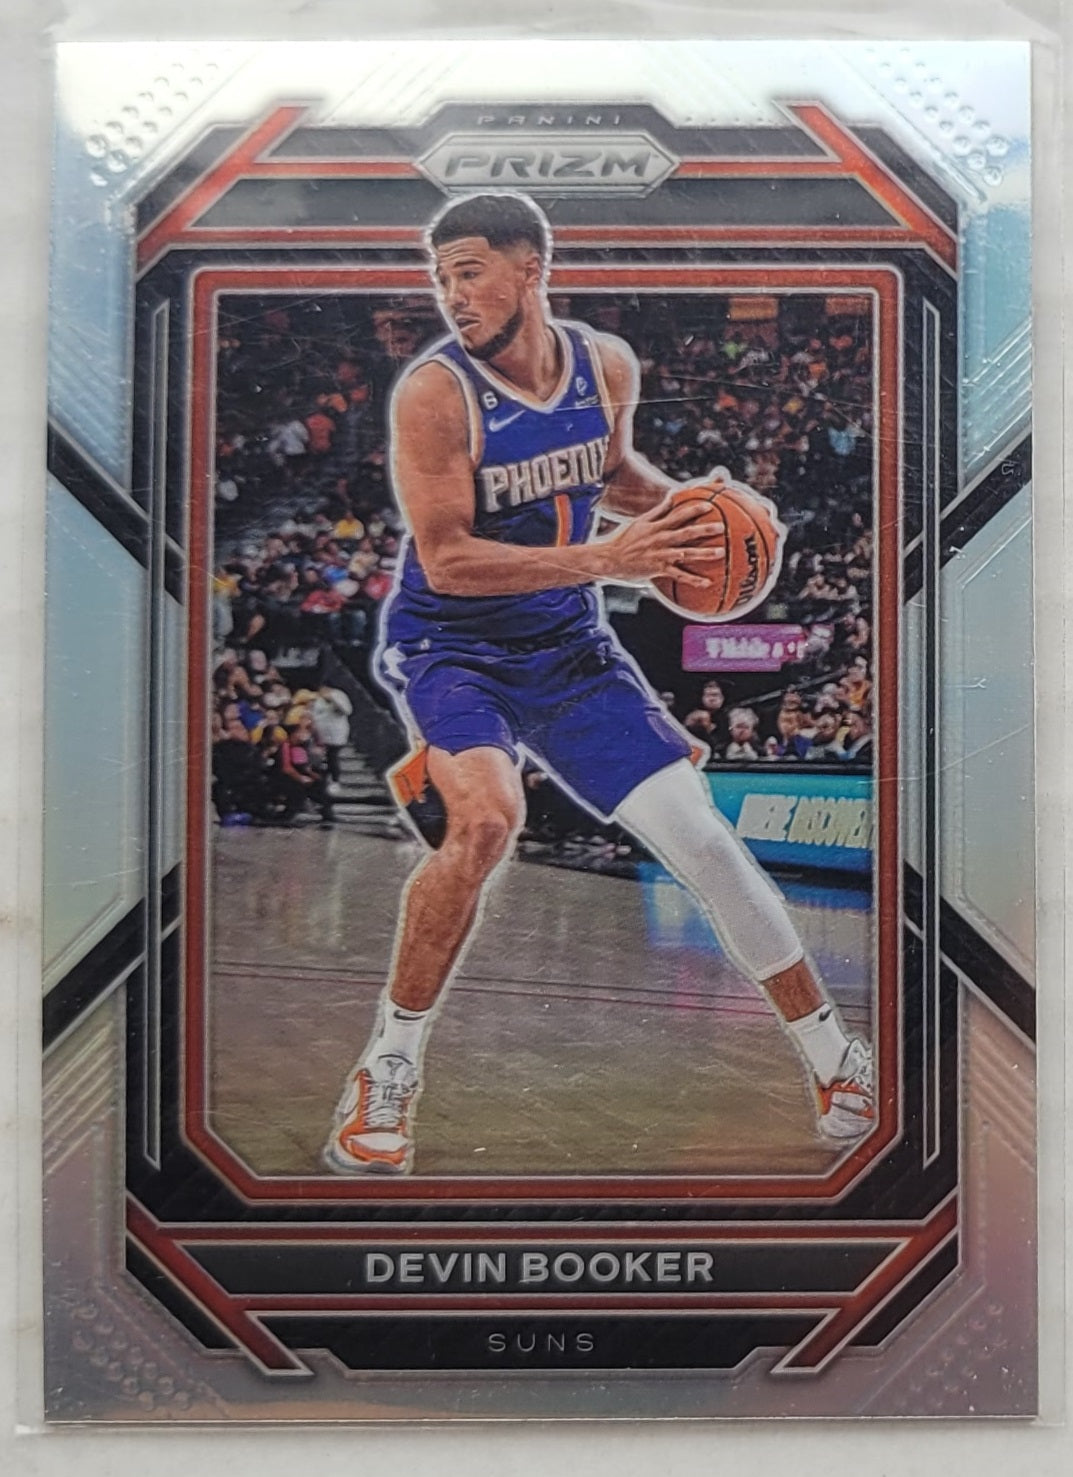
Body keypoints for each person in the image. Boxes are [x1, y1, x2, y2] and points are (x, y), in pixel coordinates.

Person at [324, 192, 874, 1175]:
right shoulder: (434, 394)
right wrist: (608, 561)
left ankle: (835, 1058)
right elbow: (446, 557)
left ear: (529, 268)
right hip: (454, 644)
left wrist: (695, 513)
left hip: (569, 647)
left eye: (468, 271)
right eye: (441, 277)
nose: (450, 294)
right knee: (485, 823)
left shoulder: (605, 364)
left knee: (704, 841)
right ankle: (388, 1064)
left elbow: (608, 473)